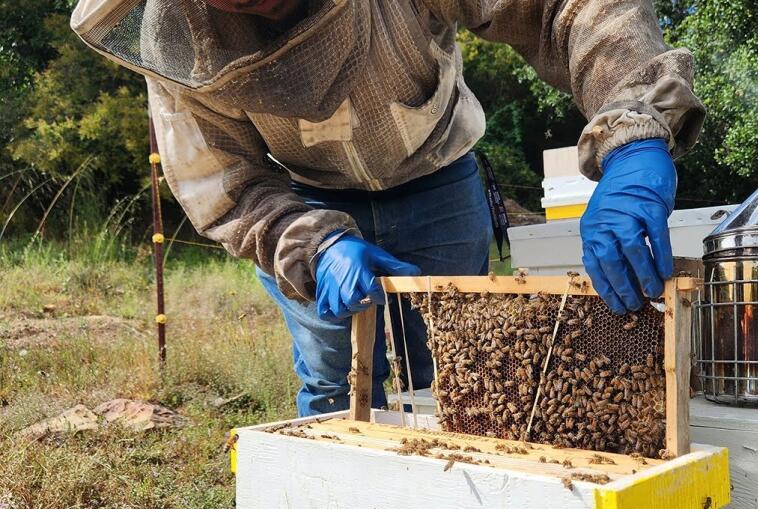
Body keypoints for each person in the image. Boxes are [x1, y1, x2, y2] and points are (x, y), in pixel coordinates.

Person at [72, 0, 705, 416]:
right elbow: (224, 179)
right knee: (335, 384)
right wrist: (312, 244)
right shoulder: (173, 38)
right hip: (302, 203)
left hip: (437, 175)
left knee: (462, 373)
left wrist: (633, 128)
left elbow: (566, 8)